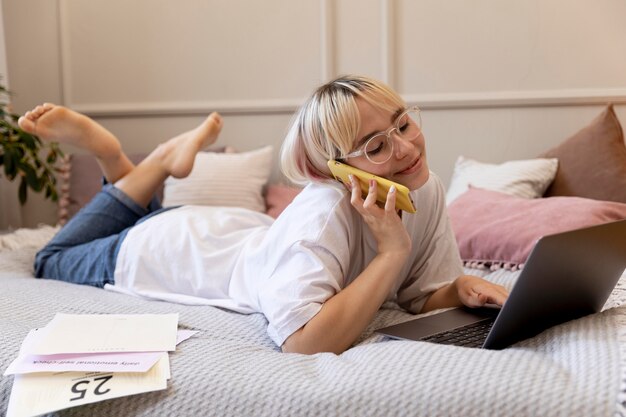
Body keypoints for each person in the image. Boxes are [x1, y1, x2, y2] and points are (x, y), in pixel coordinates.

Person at [19, 75, 508, 355]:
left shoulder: (424, 186)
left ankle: (132, 168)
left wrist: (458, 289)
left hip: (218, 230)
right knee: (52, 257)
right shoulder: (323, 217)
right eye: (377, 145)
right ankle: (140, 157)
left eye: (403, 123)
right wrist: (391, 252)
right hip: (158, 250)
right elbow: (301, 343)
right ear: (332, 170)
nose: (406, 147)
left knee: (124, 218)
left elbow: (419, 294)